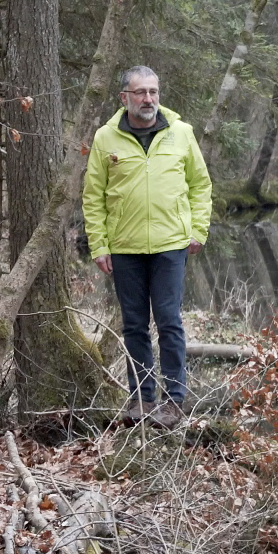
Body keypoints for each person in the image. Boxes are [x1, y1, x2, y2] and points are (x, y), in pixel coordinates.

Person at [82, 66, 212, 423]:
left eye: (153, 92)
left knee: (169, 321)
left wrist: (197, 229)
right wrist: (99, 245)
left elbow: (201, 185)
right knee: (135, 325)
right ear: (124, 97)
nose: (148, 99)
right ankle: (141, 400)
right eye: (140, 92)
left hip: (171, 245)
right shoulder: (105, 139)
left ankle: (174, 401)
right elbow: (93, 196)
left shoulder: (181, 133)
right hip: (125, 246)